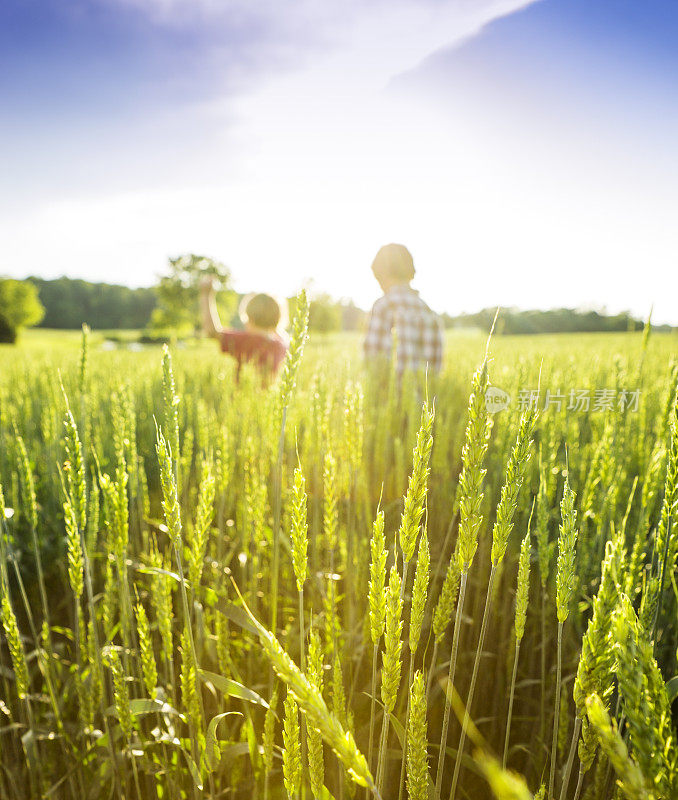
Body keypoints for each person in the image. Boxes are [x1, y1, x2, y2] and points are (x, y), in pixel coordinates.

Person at [364, 243, 444, 374]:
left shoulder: (382, 307)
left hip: (386, 394)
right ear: (410, 273)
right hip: (423, 394)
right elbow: (436, 372)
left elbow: (371, 361)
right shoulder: (428, 312)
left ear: (381, 275)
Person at [200, 276, 288, 379]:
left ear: (250, 318)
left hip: (244, 394)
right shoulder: (281, 344)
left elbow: (211, 332)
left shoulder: (245, 341)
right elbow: (280, 333)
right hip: (270, 394)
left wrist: (206, 294)